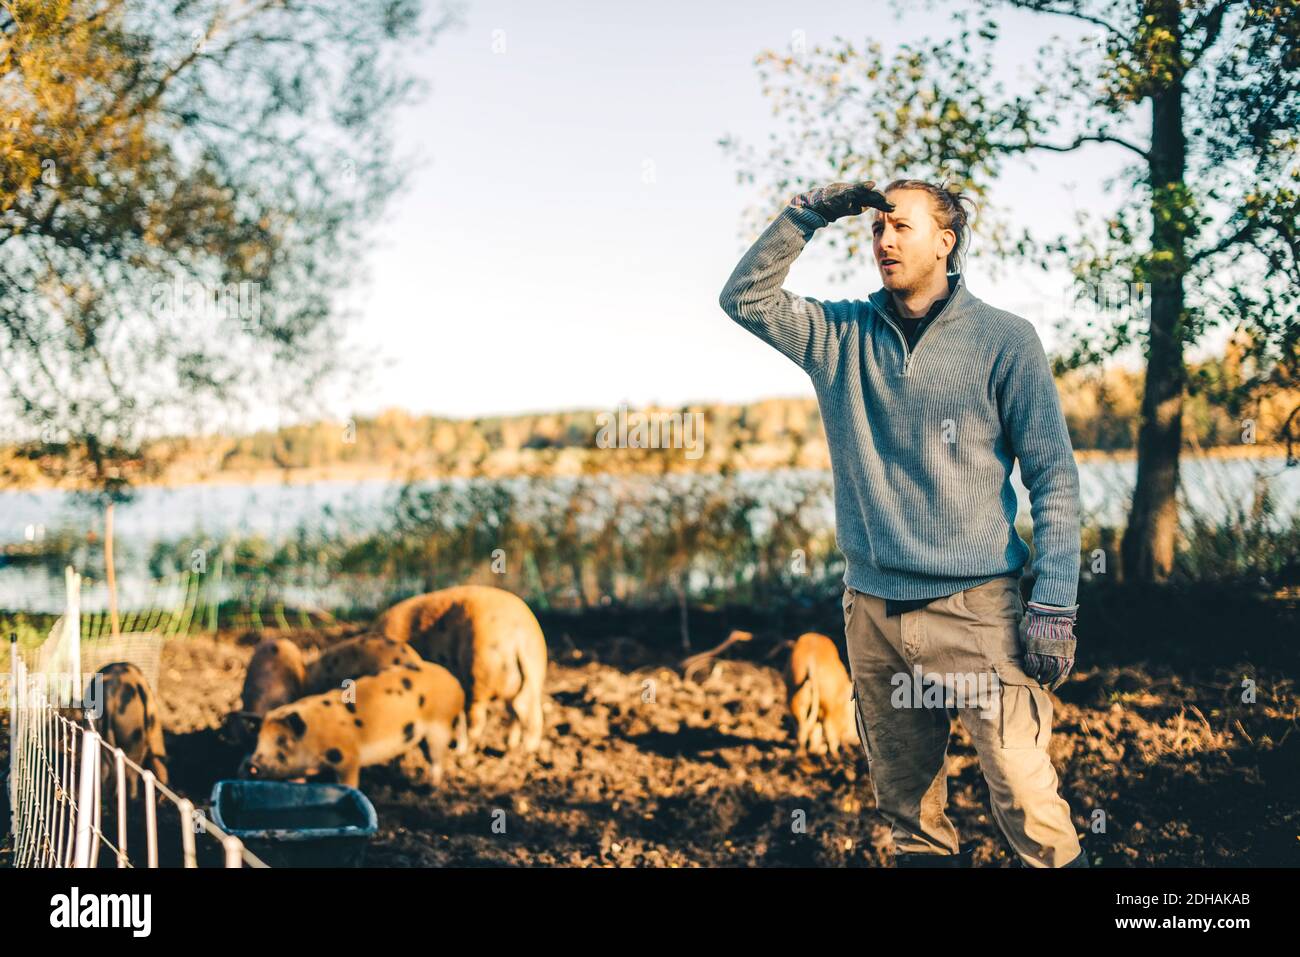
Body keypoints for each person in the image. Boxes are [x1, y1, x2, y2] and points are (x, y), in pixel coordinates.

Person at [718, 179, 1088, 868]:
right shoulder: (840, 337)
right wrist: (810, 212)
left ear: (945, 242)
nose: (883, 239)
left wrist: (1055, 603)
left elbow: (1054, 477)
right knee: (911, 821)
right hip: (875, 619)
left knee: (1029, 805)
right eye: (876, 227)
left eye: (901, 226)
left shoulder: (1006, 341)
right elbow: (745, 298)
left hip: (980, 616)